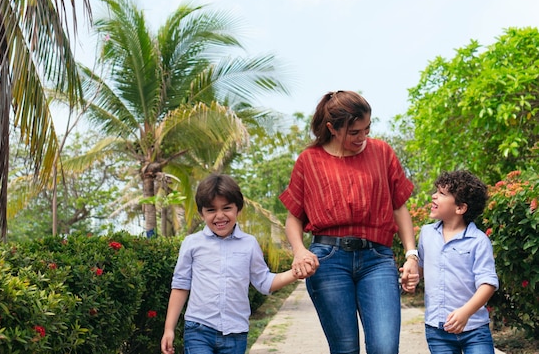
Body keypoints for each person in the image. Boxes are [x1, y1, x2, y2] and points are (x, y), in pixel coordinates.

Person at [279, 90, 420, 354]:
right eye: (354, 132)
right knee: (344, 349)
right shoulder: (309, 161)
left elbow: (399, 206)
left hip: (377, 259)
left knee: (385, 347)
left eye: (367, 129)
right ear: (332, 128)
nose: (362, 137)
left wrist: (411, 255)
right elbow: (293, 218)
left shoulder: (382, 152)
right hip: (328, 260)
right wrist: (299, 251)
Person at [161, 173, 304, 354]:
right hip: (199, 330)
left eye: (227, 208)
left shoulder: (249, 244)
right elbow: (181, 286)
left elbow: (264, 282)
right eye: (211, 210)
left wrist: (294, 273)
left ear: (238, 209)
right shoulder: (192, 243)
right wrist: (169, 329)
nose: (220, 216)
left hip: (236, 334)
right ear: (201, 213)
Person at [418, 170, 499, 353]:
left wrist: (465, 312)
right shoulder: (426, 233)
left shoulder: (478, 241)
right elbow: (422, 266)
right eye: (436, 191)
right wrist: (412, 272)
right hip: (438, 330)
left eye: (442, 194)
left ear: (460, 208)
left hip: (474, 329)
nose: (434, 196)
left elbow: (488, 283)